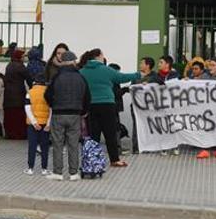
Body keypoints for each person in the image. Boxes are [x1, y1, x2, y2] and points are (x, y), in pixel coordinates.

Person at [79, 49, 140, 168]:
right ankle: (114, 159)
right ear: (98, 56)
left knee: (94, 134)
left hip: (90, 105)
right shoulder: (106, 69)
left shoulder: (82, 71)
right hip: (107, 104)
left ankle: (93, 159)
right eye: (102, 55)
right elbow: (121, 77)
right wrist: (137, 74)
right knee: (110, 133)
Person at [44, 51, 89, 180]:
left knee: (57, 144)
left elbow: (47, 95)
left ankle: (58, 173)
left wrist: (54, 104)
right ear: (74, 62)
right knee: (73, 144)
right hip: (75, 115)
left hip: (58, 114)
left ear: (62, 62)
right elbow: (87, 96)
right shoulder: (81, 77)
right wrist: (84, 111)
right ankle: (74, 173)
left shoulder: (56, 77)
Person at [24, 75, 51, 175]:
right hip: (45, 124)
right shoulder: (48, 93)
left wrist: (34, 122)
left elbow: (27, 108)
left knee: (32, 146)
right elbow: (51, 109)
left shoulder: (30, 92)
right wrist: (48, 123)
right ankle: (44, 169)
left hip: (32, 124)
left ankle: (30, 168)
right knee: (45, 147)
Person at [130, 57, 156, 155]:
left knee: (148, 126)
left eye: (142, 63)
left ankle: (149, 146)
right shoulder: (136, 76)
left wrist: (149, 84)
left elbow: (160, 85)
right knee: (136, 126)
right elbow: (131, 88)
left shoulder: (154, 77)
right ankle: (136, 147)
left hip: (149, 107)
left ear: (148, 65)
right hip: (137, 106)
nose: (140, 65)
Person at [3, 49, 31, 140]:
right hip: (18, 94)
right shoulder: (21, 67)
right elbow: (29, 78)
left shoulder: (9, 66)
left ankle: (10, 134)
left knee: (10, 116)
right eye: (23, 56)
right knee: (19, 115)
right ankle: (19, 134)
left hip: (8, 95)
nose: (24, 58)